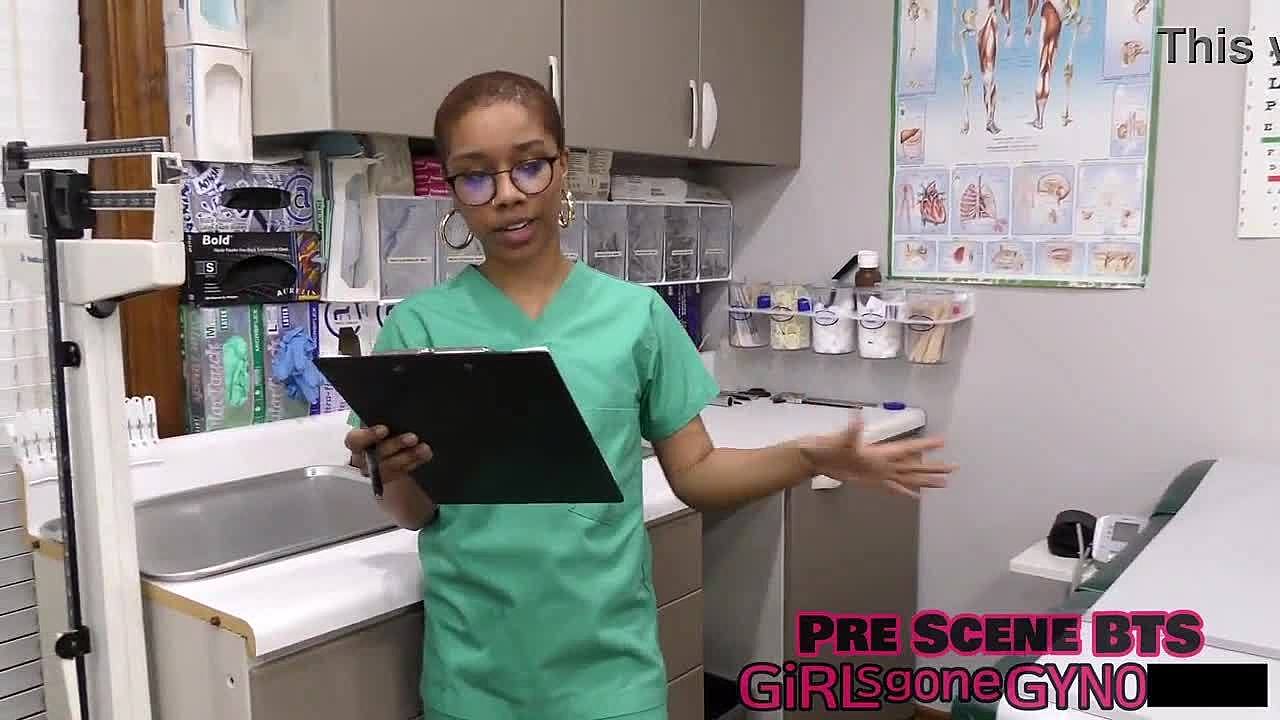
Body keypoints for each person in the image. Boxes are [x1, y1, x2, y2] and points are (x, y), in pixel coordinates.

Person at [343, 70, 955, 720]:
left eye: (529, 166)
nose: (507, 195)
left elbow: (697, 471)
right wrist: (390, 470)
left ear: (564, 167)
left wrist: (808, 458)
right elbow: (415, 513)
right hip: (473, 682)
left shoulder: (636, 317)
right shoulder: (419, 330)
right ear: (452, 192)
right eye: (475, 176)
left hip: (610, 678)